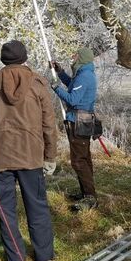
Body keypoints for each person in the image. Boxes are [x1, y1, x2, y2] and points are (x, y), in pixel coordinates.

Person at [0, 40, 57, 261]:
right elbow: (49, 125)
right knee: (37, 206)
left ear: (3, 59)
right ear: (25, 57)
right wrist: (50, 155)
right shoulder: (38, 85)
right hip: (31, 156)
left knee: (6, 211)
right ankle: (45, 257)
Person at [51, 47, 98, 211]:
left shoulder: (84, 76)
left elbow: (73, 99)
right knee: (84, 159)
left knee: (79, 161)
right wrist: (60, 72)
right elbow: (72, 85)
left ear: (82, 58)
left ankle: (90, 197)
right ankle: (87, 192)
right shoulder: (83, 74)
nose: (73, 57)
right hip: (81, 120)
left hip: (79, 122)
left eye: (76, 55)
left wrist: (56, 88)